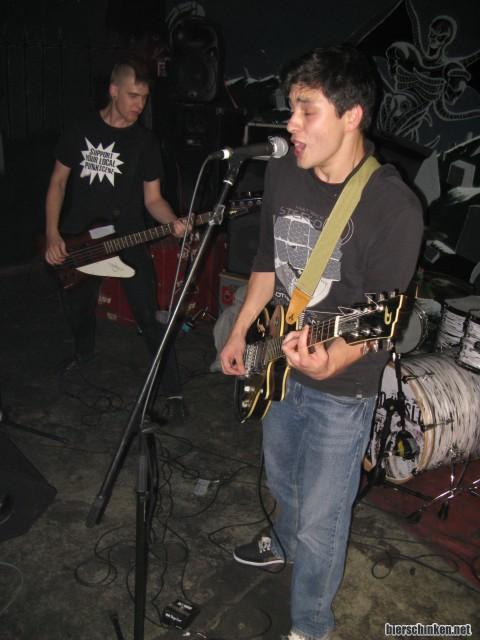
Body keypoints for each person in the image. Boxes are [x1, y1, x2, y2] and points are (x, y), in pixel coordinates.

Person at [220, 45, 424, 640]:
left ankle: (311, 623)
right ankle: (282, 541)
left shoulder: (393, 206)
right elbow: (267, 262)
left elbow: (380, 321)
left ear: (351, 115)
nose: (291, 124)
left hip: (343, 388)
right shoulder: (284, 171)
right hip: (277, 361)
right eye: (291, 108)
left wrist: (329, 360)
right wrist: (240, 330)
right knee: (281, 482)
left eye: (306, 110)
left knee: (322, 521)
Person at [44, 55, 187, 421]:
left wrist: (173, 221)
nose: (140, 105)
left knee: (148, 315)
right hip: (80, 240)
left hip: (127, 239)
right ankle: (84, 354)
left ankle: (172, 390)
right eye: (133, 96)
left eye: (144, 98)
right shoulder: (79, 130)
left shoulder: (145, 142)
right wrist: (52, 234)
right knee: (78, 307)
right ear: (113, 90)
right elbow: (58, 183)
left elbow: (153, 200)